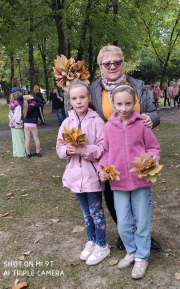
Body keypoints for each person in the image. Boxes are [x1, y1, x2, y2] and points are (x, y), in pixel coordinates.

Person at [66, 45, 161, 252]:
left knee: (139, 195)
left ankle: (142, 235)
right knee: (113, 194)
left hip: (137, 151)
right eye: (107, 63)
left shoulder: (136, 85)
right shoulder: (91, 90)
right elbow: (75, 108)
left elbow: (154, 113)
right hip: (110, 151)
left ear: (122, 63)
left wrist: (149, 118)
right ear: (100, 66)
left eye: (116, 62)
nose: (112, 66)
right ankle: (124, 232)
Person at [98, 84, 161, 279]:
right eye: (119, 104)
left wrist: (152, 161)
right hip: (118, 182)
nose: (124, 108)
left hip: (141, 180)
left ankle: (142, 256)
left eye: (127, 103)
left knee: (142, 220)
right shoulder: (108, 126)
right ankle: (131, 250)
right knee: (123, 221)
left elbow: (153, 147)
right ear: (113, 104)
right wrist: (103, 168)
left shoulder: (142, 123)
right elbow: (106, 152)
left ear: (135, 102)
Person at [56, 82, 110, 265]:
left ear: (89, 98)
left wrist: (83, 150)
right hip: (74, 177)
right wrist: (67, 151)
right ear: (69, 101)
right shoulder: (66, 122)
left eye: (82, 97)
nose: (78, 101)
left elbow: (103, 149)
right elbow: (59, 147)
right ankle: (92, 240)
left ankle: (102, 245)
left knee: (96, 212)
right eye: (74, 98)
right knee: (86, 213)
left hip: (92, 177)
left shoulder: (97, 121)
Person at [17, 94, 42, 158]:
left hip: (26, 124)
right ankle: (38, 152)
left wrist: (24, 96)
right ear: (32, 100)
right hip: (33, 124)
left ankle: (28, 153)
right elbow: (40, 101)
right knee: (36, 138)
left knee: (27, 139)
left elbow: (18, 99)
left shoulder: (23, 106)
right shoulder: (35, 106)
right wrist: (33, 97)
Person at [7, 91, 25, 158]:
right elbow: (18, 116)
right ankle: (21, 153)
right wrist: (20, 122)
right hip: (17, 124)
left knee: (14, 139)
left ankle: (16, 153)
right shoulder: (18, 106)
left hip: (12, 124)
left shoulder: (11, 105)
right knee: (20, 139)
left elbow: (9, 115)